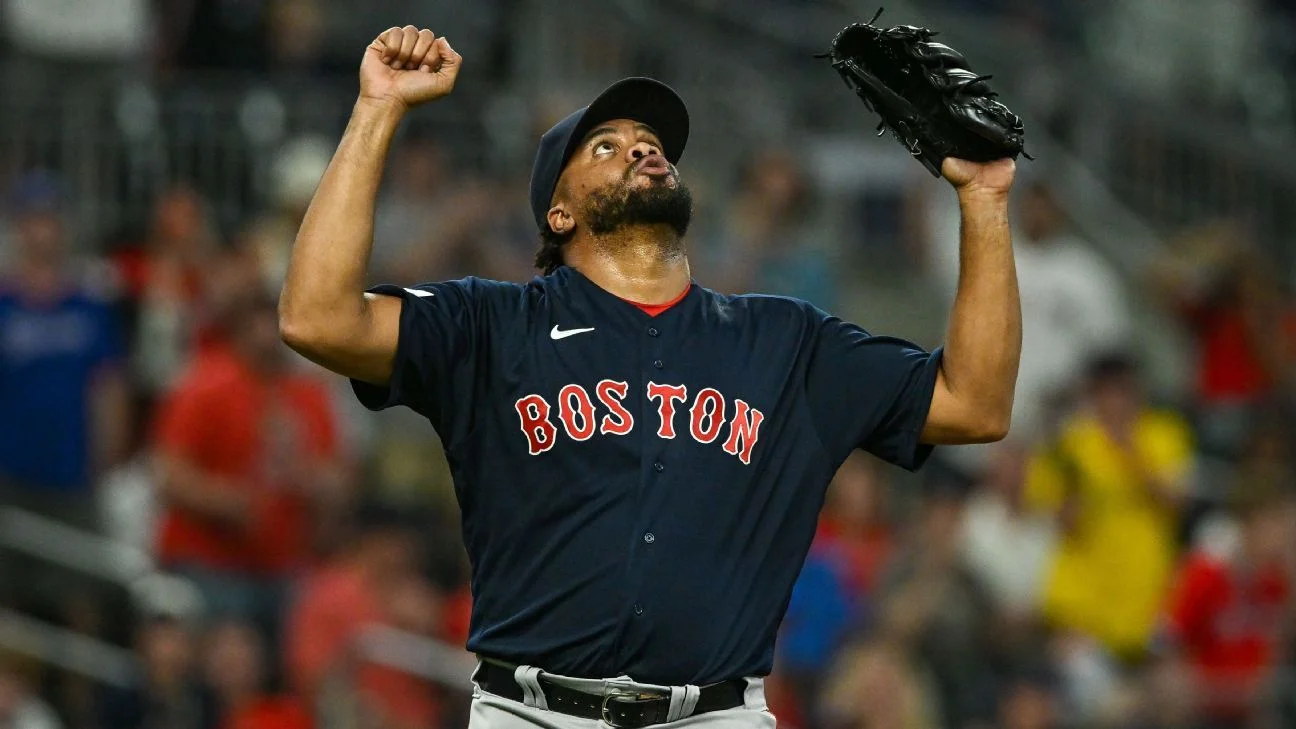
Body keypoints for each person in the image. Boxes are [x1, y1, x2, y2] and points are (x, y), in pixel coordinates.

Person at [278, 25, 1021, 729]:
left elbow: (974, 404)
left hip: (718, 712)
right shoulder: (492, 327)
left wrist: (982, 200)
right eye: (606, 146)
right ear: (559, 213)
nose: (641, 150)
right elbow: (317, 316)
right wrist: (378, 108)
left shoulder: (786, 339)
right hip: (529, 709)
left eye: (651, 143)